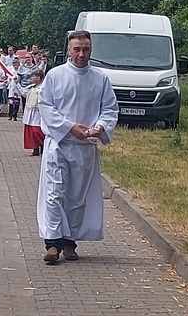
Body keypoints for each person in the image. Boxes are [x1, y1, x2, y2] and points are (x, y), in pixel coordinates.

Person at [37, 30, 118, 264]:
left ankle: (70, 241)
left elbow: (110, 109)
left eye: (86, 49)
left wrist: (100, 127)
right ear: (69, 50)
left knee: (77, 195)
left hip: (84, 147)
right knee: (54, 193)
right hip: (59, 143)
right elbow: (46, 106)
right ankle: (52, 243)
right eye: (77, 49)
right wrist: (69, 127)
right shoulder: (55, 75)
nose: (82, 54)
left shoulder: (100, 78)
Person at [19, 69, 46, 156]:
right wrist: (16, 84)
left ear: (38, 78)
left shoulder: (43, 88)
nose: (32, 78)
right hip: (30, 112)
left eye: (33, 76)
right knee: (31, 131)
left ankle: (43, 146)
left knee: (37, 131)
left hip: (38, 113)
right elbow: (23, 93)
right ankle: (35, 148)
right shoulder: (32, 87)